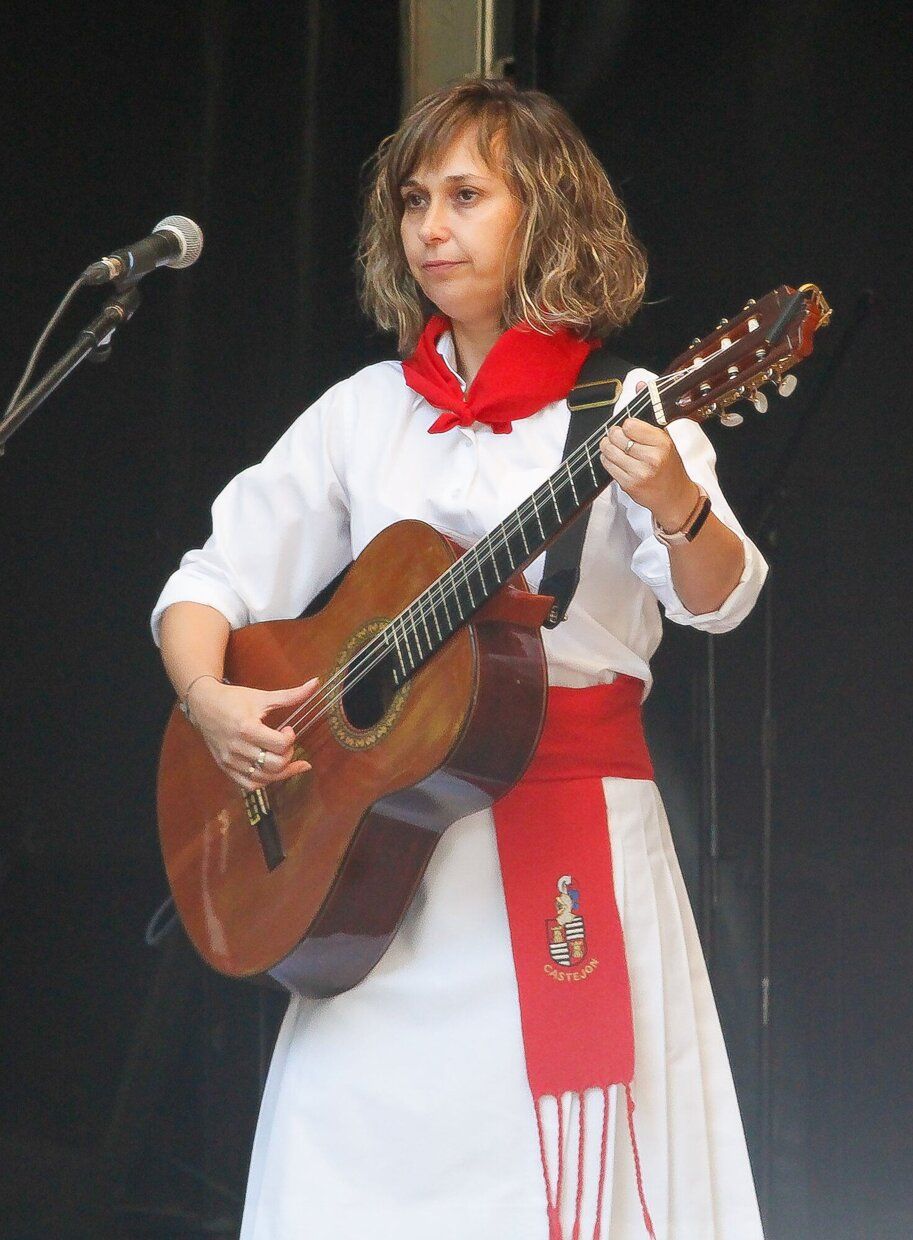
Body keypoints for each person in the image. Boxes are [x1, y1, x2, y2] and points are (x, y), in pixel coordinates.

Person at [152, 78, 767, 1240]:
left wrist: (681, 501)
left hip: (564, 848)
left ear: (546, 214)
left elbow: (721, 602)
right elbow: (207, 582)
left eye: (467, 196)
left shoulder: (626, 408)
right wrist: (210, 696)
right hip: (373, 878)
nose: (430, 226)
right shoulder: (364, 413)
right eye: (414, 199)